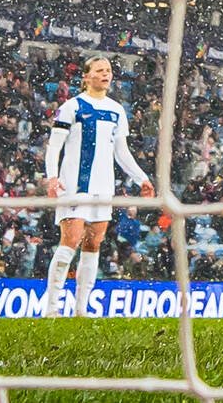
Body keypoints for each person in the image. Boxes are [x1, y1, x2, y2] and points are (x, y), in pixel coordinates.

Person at [40, 56, 153, 317]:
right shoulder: (72, 107)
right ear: (86, 76)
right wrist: (52, 177)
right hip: (74, 185)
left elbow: (121, 152)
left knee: (93, 244)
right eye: (100, 70)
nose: (106, 74)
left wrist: (142, 179)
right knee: (70, 241)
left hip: (103, 187)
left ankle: (81, 310)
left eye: (109, 70)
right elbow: (54, 145)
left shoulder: (116, 110)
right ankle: (51, 309)